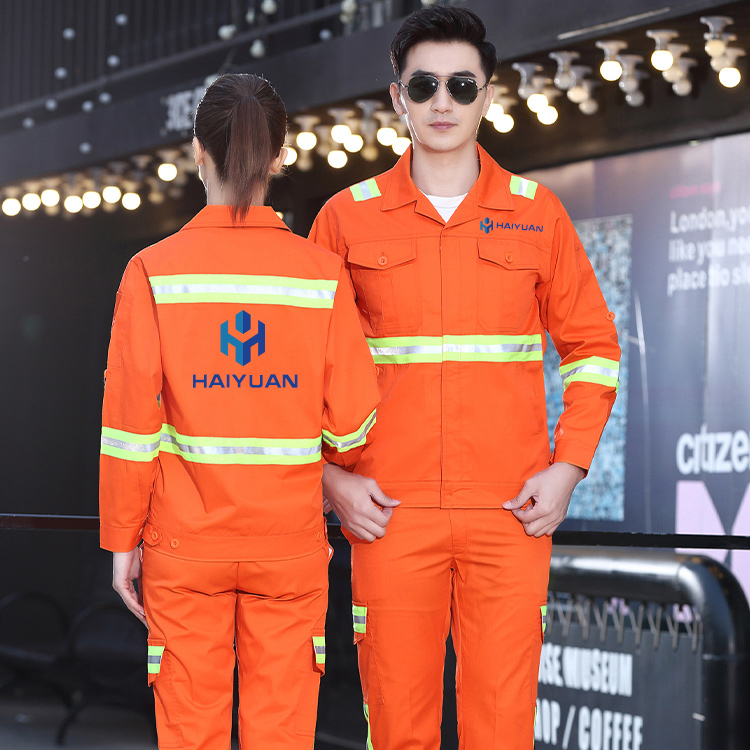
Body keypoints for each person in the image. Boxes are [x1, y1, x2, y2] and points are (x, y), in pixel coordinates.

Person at [310, 6, 621, 749]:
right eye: (423, 86)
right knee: (397, 723)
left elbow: (593, 348)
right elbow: (298, 368)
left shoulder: (537, 215)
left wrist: (570, 466)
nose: (441, 101)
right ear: (397, 99)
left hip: (509, 512)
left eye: (459, 84)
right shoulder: (345, 220)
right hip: (388, 512)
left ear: (487, 94)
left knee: (501, 728)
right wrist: (330, 480)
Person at [99, 73, 381, 750]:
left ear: (198, 149)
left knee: (189, 736)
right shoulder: (320, 276)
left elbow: (130, 428)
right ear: (280, 157)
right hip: (287, 550)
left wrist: (121, 543)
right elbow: (350, 424)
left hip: (183, 549)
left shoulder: (152, 271)